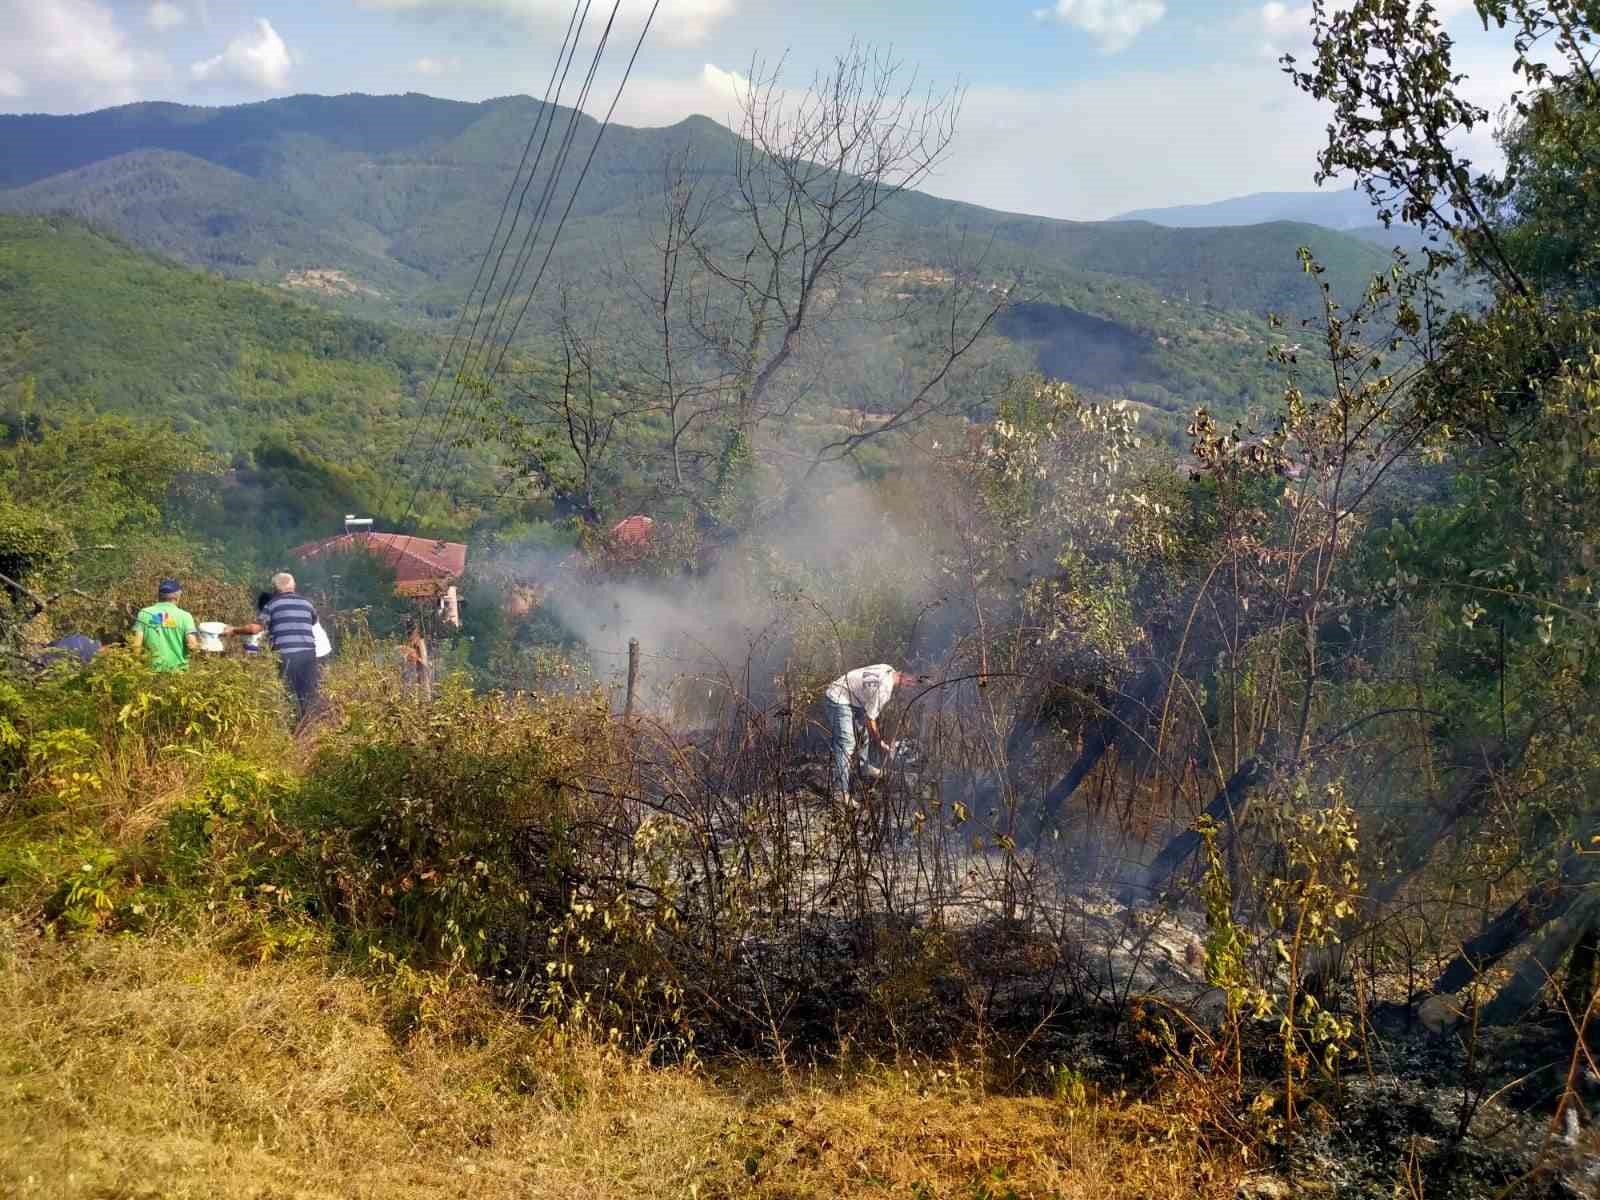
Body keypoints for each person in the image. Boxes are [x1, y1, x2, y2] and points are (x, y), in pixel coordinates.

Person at [226, 572, 321, 720]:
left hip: (286, 655)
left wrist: (233, 630)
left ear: (275, 589)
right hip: (308, 654)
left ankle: (292, 731)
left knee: (286, 695)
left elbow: (255, 629)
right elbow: (314, 621)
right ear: (294, 586)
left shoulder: (272, 605)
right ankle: (310, 731)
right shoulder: (307, 604)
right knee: (308, 695)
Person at [822, 663, 917, 803]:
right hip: (837, 698)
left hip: (853, 698)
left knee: (863, 735)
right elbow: (870, 719)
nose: (912, 687)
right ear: (906, 678)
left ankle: (865, 767)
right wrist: (880, 743)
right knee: (847, 743)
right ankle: (841, 792)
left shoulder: (888, 668)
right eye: (913, 682)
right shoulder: (884, 689)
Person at [129, 579, 198, 673]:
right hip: (177, 672)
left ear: (159, 596)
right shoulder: (185, 616)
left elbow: (136, 645)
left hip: (150, 671)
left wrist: (135, 667)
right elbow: (192, 645)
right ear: (177, 597)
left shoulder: (144, 613)